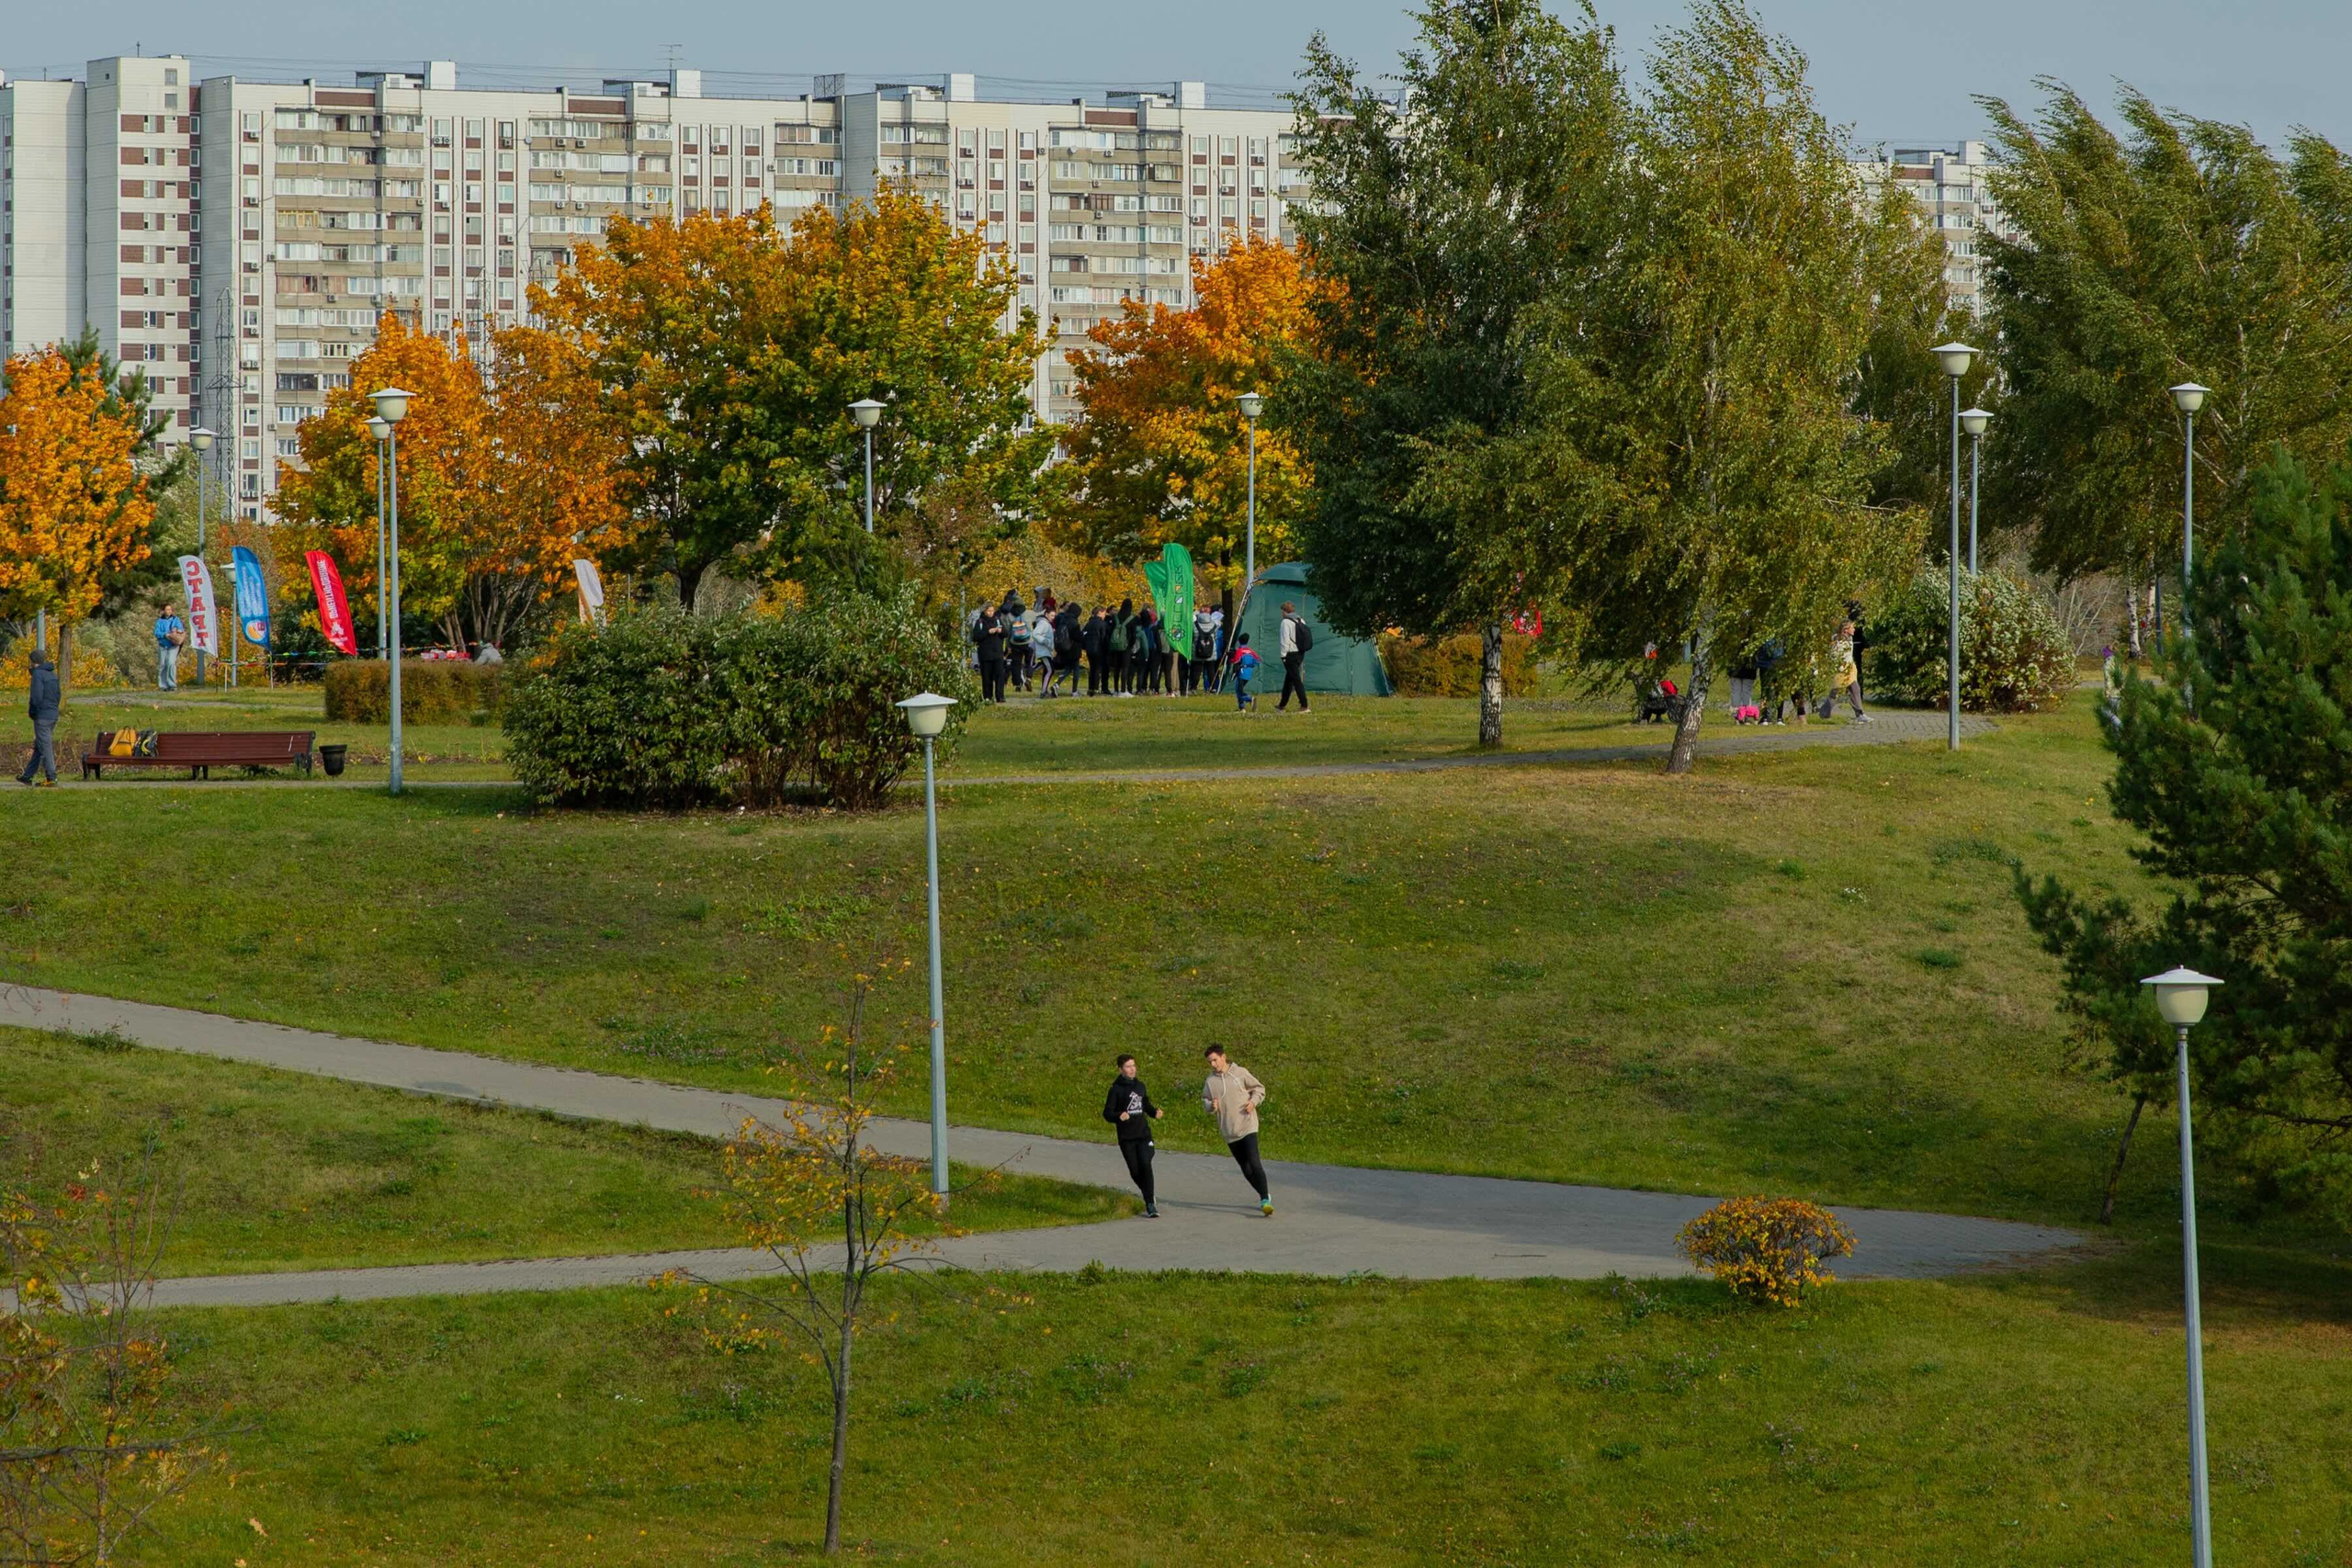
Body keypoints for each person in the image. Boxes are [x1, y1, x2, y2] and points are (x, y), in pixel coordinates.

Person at [1202, 1045, 1272, 1216]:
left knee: (1255, 1163)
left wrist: (1253, 1102)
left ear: (1223, 1057)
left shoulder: (1239, 1073)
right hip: (1229, 1130)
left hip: (1248, 1125)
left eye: (1215, 1060)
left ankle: (1265, 1200)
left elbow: (1259, 1089)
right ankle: (1264, 1194)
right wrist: (1211, 1106)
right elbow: (1205, 1100)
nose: (1213, 1064)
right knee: (1246, 1168)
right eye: (1210, 1061)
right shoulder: (1210, 1082)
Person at [1102, 1054, 1163, 1217]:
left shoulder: (1140, 1086)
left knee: (1145, 1164)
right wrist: (1118, 1116)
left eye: (1134, 1065)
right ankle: (1148, 1194)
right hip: (1127, 1138)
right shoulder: (1116, 1089)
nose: (1132, 1069)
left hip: (1143, 1135)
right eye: (1128, 1066)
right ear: (1121, 1069)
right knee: (1135, 1172)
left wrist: (1154, 1112)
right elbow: (1107, 1113)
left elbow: (1145, 1104)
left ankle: (1150, 1203)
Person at [18, 648, 60, 787]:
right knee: (40, 745)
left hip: (42, 715)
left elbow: (36, 697)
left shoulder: (38, 675)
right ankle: (27, 776)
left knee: (45, 746)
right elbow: (58, 695)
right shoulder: (53, 675)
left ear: (33, 661)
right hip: (53, 714)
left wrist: (33, 712)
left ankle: (51, 777)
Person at [1830, 620, 1870, 722]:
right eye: (1852, 628)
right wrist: (1840, 668)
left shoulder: (1850, 639)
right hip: (1842, 670)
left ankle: (1860, 714)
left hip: (1850, 669)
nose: (1854, 629)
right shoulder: (1838, 640)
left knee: (1855, 689)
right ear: (1845, 630)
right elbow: (1835, 655)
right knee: (1835, 693)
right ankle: (1825, 712)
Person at [1276, 602, 1311, 712]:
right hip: (1301, 652)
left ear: (1285, 611)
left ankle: (1304, 705)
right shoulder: (1301, 620)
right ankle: (1282, 705)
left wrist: (1283, 655)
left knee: (1296, 680)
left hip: (1290, 653)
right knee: (1289, 679)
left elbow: (1285, 640)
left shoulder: (1285, 622)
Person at [973, 605, 1010, 704]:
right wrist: (988, 632)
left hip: (997, 653)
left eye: (992, 611)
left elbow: (1006, 633)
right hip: (985, 654)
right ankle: (987, 697)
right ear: (985, 611)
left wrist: (1000, 631)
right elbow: (976, 636)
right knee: (986, 677)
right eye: (989, 611)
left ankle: (1000, 696)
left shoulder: (997, 620)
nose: (990, 613)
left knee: (999, 676)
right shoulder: (980, 622)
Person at [1028, 601, 1060, 696]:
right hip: (1043, 651)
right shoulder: (1043, 623)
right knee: (1050, 670)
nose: (1053, 618)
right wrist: (1045, 641)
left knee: (1048, 669)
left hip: (1046, 651)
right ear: (1046, 614)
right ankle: (1043, 692)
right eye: (1051, 616)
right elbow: (1035, 634)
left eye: (1054, 616)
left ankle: (1044, 690)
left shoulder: (1046, 623)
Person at [1082, 605, 1113, 695]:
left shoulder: (1089, 624)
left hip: (1089, 649)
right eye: (1104, 613)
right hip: (1099, 649)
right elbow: (1103, 638)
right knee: (1098, 669)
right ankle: (1096, 688)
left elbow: (1083, 635)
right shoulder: (1103, 624)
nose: (1105, 615)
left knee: (1092, 669)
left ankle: (1091, 688)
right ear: (1100, 613)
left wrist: (1085, 646)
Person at [153, 608, 185, 691]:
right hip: (163, 645)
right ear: (163, 611)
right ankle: (163, 685)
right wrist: (165, 634)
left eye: (170, 610)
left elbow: (181, 629)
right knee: (162, 665)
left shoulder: (176, 619)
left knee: (171, 663)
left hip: (173, 645)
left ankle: (172, 685)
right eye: (167, 610)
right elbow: (156, 633)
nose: (169, 611)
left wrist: (178, 631)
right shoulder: (160, 621)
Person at [1228, 633, 1259, 712]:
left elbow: (1235, 660)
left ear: (1239, 641)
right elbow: (1257, 660)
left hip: (1241, 672)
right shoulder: (1250, 651)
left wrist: (1230, 656)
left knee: (1239, 691)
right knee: (1240, 690)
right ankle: (1241, 708)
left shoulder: (1240, 650)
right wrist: (1250, 665)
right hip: (1248, 672)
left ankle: (1249, 699)